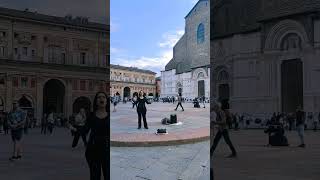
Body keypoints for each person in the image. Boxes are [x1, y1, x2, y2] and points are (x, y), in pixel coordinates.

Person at [71, 92, 108, 180]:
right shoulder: (91, 116)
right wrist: (73, 128)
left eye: (103, 97)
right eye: (99, 97)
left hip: (107, 149)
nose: (101, 99)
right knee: (95, 176)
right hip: (93, 149)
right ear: (96, 101)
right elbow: (84, 130)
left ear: (106, 101)